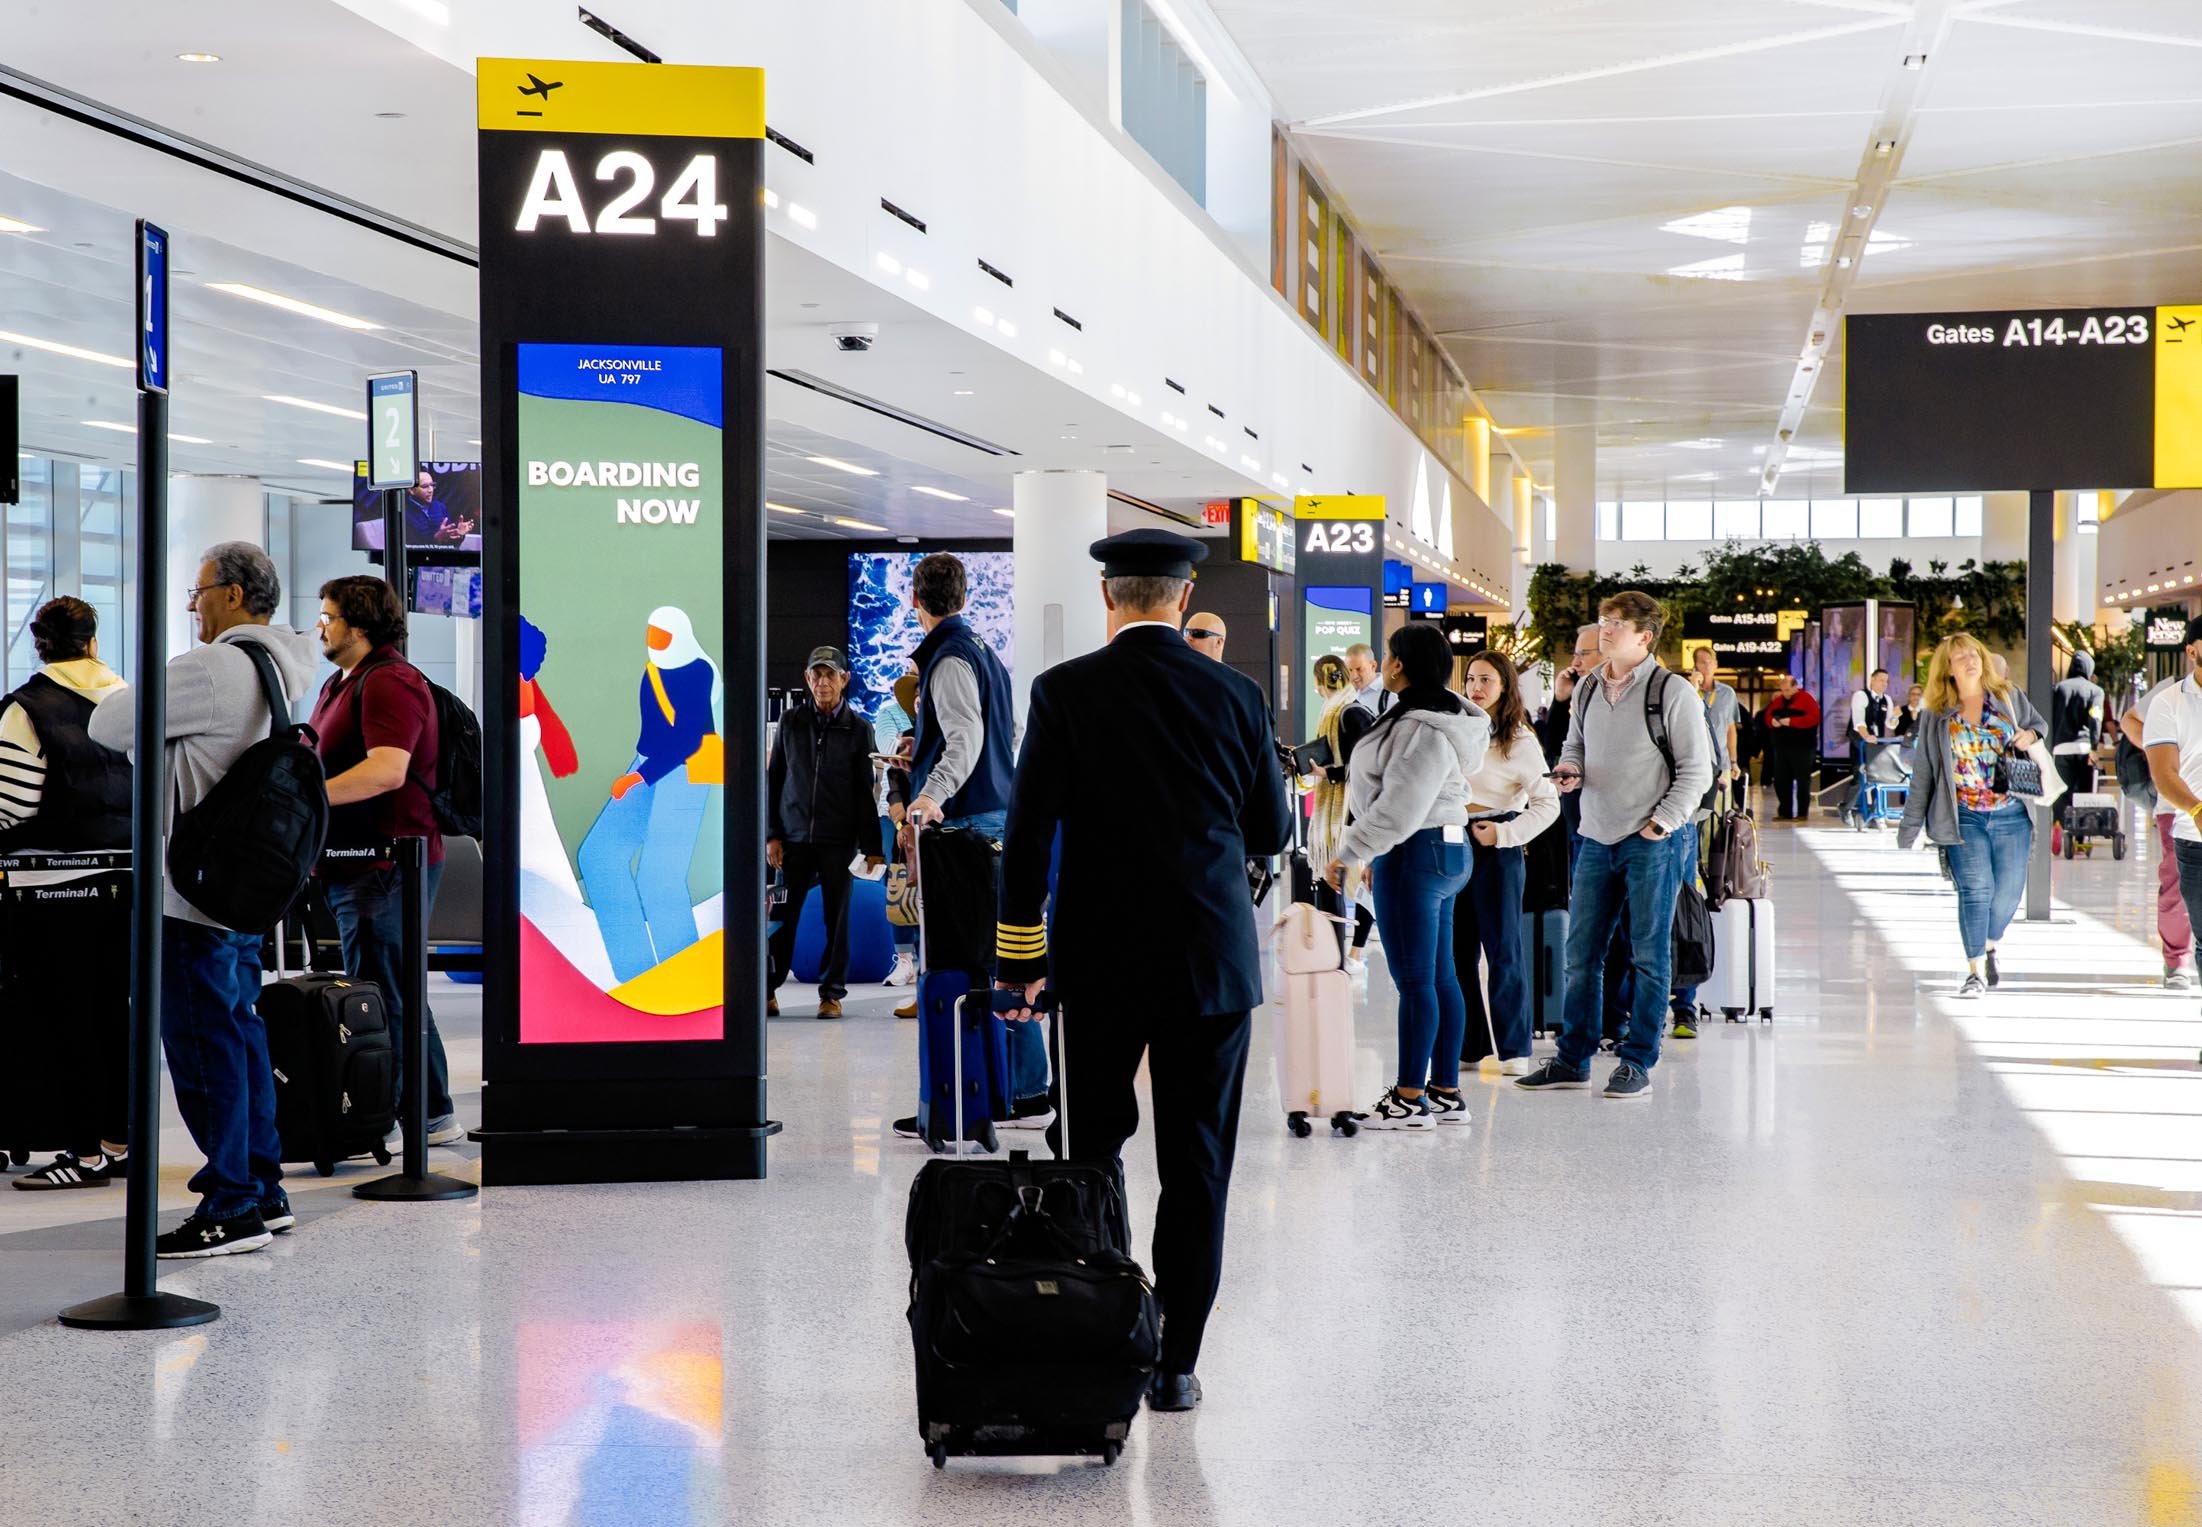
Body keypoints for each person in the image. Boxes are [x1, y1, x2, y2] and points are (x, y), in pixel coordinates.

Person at [993, 528, 1292, 1413]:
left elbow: (1029, 833)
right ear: (1182, 595)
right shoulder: (1236, 695)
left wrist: (1022, 960)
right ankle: (1178, 1364)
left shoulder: (1064, 691)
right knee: (1198, 1162)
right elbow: (1272, 827)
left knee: (1091, 1148)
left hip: (1100, 962)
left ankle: (1101, 1324)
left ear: (1108, 597)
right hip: (1211, 961)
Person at [89, 541, 319, 1257]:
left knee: (202, 1042)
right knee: (240, 1031)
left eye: (199, 591)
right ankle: (263, 1185)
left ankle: (231, 1203)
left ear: (233, 594)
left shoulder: (217, 666)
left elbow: (108, 725)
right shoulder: (285, 666)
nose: (192, 605)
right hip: (243, 889)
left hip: (193, 896)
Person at [1516, 590, 1712, 1100]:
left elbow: (1698, 770)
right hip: (1596, 836)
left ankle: (1638, 1060)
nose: (1605, 629)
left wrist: (1661, 823)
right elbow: (1575, 744)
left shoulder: (1672, 692)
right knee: (1581, 955)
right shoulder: (1586, 689)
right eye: (1603, 620)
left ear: (1644, 637)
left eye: (1616, 623)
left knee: (1649, 956)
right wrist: (1571, 770)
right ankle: (1572, 1058)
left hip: (1653, 840)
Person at [892, 553, 1047, 1136]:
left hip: (966, 829)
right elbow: (1003, 734)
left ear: (916, 599)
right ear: (963, 595)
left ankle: (1004, 1092)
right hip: (993, 819)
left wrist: (930, 793)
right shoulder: (984, 652)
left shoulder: (951, 658)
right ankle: (1000, 1091)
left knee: (971, 964)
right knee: (991, 960)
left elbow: (967, 737)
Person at [308, 576, 461, 1145]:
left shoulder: (391, 682)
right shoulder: (341, 683)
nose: (320, 625)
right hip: (355, 864)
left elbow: (387, 771)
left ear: (361, 625)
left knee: (385, 991)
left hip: (388, 865)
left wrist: (311, 798)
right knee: (392, 987)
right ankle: (433, 1110)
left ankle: (397, 1114)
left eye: (329, 616)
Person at [1323, 624, 1490, 1128]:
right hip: (1445, 850)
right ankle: (1443, 1090)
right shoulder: (1441, 718)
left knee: (1416, 980)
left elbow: (1401, 806)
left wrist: (1350, 851)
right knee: (1439, 976)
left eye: (1390, 656)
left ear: (1398, 665)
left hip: (1417, 851)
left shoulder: (1421, 727)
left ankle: (1408, 1098)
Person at [0, 597, 133, 1190]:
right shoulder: (128, 698)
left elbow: (11, 805)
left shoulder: (25, 708)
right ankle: (120, 1140)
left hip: (49, 887)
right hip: (126, 882)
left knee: (66, 1016)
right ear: (93, 642)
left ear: (40, 644)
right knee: (115, 1015)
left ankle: (82, 1153)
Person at [576, 606, 722, 985]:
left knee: (660, 878)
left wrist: (639, 777)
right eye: (651, 633)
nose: (653, 641)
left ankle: (684, 978)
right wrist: (638, 772)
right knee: (598, 856)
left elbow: (689, 738)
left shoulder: (698, 670)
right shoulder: (652, 669)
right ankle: (634, 971)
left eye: (662, 634)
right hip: (650, 763)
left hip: (687, 769)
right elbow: (654, 734)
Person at [1896, 632, 2047, 998]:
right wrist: (1910, 826)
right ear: (1948, 669)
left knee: (2008, 895)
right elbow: (1924, 774)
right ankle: (1974, 970)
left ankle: (1991, 942)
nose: (1970, 661)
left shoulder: (2008, 697)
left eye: (1974, 654)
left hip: (2012, 812)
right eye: (1960, 657)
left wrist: (2028, 735)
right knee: (1975, 890)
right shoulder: (1936, 715)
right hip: (1963, 815)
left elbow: (2038, 727)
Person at [765, 645, 883, 1020]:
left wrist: (872, 847)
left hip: (838, 841)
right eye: (816, 674)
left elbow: (867, 793)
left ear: (844, 679)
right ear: (807, 679)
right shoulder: (790, 723)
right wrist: (771, 835)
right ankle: (767, 990)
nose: (822, 681)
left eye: (830, 674)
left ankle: (831, 994)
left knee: (838, 918)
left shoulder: (860, 729)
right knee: (782, 919)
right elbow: (774, 781)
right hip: (793, 840)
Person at [1455, 650, 1559, 1076]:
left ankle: (1514, 1046)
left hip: (1497, 844)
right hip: (1451, 839)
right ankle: (1468, 1044)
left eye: (1486, 681)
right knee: (1456, 952)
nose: (1476, 688)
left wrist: (1505, 834)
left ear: (1504, 687)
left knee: (1503, 950)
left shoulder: (1518, 738)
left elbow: (1548, 803)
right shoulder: (1455, 728)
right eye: (1471, 679)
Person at [1306, 654, 1378, 972]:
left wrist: (1328, 774)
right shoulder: (1338, 711)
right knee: (1335, 878)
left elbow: (1363, 765)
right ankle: (1341, 951)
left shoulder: (1350, 712)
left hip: (1353, 810)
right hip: (1343, 811)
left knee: (1360, 882)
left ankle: (1355, 953)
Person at [2122, 678, 2190, 988]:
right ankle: (2176, 961)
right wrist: (2159, 750)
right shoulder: (2171, 691)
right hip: (2177, 805)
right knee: (2177, 882)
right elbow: (2130, 721)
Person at [2049, 649, 2105, 841]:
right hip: (2082, 748)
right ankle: (2079, 835)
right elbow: (2095, 719)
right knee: (2082, 792)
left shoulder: (2058, 688)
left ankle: (2059, 825)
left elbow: (2050, 717)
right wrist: (2094, 747)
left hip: (2060, 748)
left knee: (2062, 791)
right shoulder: (2095, 690)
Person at [1762, 672, 1821, 821]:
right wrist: (1772, 722)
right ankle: (1785, 812)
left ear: (1796, 687)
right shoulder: (1779, 701)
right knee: (1781, 780)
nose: (1785, 693)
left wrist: (1791, 722)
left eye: (1787, 690)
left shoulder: (1806, 699)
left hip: (1802, 747)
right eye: (1782, 690)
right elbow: (1767, 716)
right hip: (1781, 747)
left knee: (1802, 780)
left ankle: (1802, 813)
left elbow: (1813, 719)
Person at [1840, 667, 1894, 827]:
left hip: (1876, 741)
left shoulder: (1887, 700)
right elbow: (1859, 722)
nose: (1884, 684)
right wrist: (1867, 737)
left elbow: (1888, 722)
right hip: (1860, 739)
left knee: (1878, 774)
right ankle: (1846, 808)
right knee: (1860, 772)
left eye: (1886, 681)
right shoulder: (1860, 696)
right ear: (1872, 680)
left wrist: (1895, 718)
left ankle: (1874, 811)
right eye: (1881, 680)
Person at [401, 468, 474, 547]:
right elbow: (407, 545)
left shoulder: (439, 507)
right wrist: (436, 538)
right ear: (411, 490)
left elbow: (450, 545)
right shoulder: (402, 511)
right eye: (425, 486)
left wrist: (458, 534)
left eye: (432, 485)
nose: (430, 490)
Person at [1345, 642, 1389, 718]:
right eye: (1350, 670)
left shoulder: (1390, 693)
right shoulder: (1347, 694)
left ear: (1373, 666)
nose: (1354, 676)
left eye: (1359, 669)